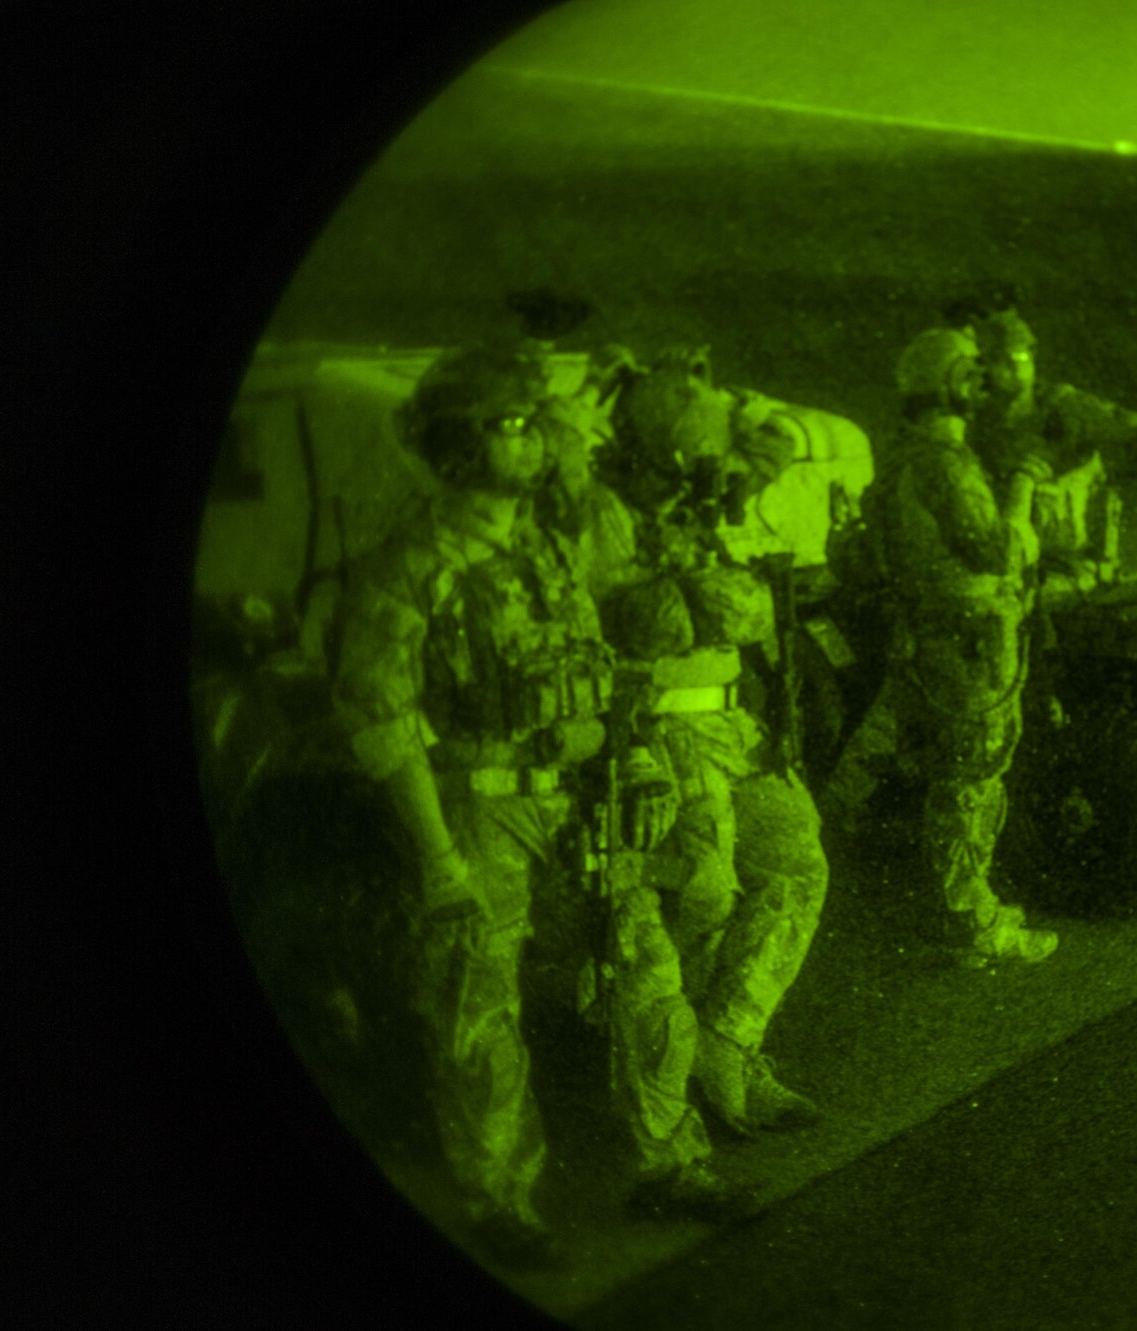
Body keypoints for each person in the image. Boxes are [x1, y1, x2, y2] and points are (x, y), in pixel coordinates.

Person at [329, 337, 620, 1263]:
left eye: (539, 424)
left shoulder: (547, 551)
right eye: (513, 424)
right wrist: (439, 858)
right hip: (474, 811)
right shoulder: (409, 566)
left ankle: (670, 1156)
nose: (535, 442)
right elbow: (382, 719)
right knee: (477, 1011)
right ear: (458, 443)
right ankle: (500, 1197)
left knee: (645, 962)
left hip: (569, 802)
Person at [578, 347, 830, 1191]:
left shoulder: (700, 495)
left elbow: (775, 442)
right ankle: (663, 1101)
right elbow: (605, 638)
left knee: (796, 863)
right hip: (655, 728)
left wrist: (731, 401)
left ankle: (729, 1044)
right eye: (697, 450)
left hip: (729, 721)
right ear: (657, 450)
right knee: (700, 899)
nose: (717, 470)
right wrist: (629, 748)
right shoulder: (603, 513)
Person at [822, 326, 1059, 968]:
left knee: (949, 776)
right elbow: (997, 550)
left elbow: (863, 561)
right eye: (973, 374)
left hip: (931, 642)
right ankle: (971, 922)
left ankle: (961, 905)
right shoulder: (946, 464)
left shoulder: (900, 460)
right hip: (971, 649)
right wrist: (1023, 490)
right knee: (970, 780)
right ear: (955, 384)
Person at [960, 300, 1137, 501]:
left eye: (1022, 355)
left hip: (1067, 534)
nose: (1015, 366)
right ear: (985, 367)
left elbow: (1129, 426)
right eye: (1001, 359)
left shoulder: (1061, 406)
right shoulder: (973, 420)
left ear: (1033, 358)